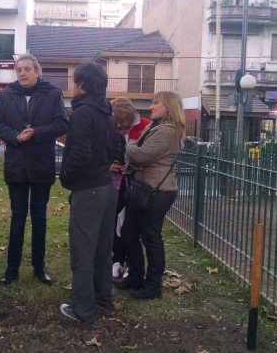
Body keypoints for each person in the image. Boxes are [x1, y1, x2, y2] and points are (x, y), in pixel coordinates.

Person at [0, 54, 68, 286]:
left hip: (41, 165)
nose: (22, 73)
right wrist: (15, 136)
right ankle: (12, 268)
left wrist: (37, 132)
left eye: (27, 69)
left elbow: (62, 124)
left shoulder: (53, 94)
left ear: (37, 71)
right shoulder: (6, 94)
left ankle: (39, 266)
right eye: (19, 70)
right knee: (17, 218)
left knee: (39, 218)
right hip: (16, 166)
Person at [58, 62, 121, 323]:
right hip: (108, 187)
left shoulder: (83, 114)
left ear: (82, 85)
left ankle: (83, 309)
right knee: (102, 248)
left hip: (88, 189)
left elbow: (79, 153)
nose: (73, 87)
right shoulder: (108, 113)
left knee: (83, 250)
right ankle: (102, 298)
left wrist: (67, 177)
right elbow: (115, 150)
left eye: (75, 81)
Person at [115, 91, 186, 300]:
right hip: (143, 189)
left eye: (156, 103)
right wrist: (134, 154)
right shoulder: (153, 126)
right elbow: (139, 157)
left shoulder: (167, 131)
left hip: (157, 193)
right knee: (128, 233)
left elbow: (142, 154)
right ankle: (136, 276)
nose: (151, 106)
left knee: (151, 238)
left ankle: (152, 286)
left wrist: (127, 144)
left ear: (168, 107)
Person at [110, 97, 151, 279]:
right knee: (114, 222)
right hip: (117, 184)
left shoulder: (145, 126)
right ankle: (116, 259)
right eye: (117, 123)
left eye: (123, 122)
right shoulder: (112, 126)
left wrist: (132, 167)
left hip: (138, 184)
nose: (121, 126)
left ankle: (132, 264)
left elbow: (148, 156)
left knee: (132, 226)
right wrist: (109, 164)